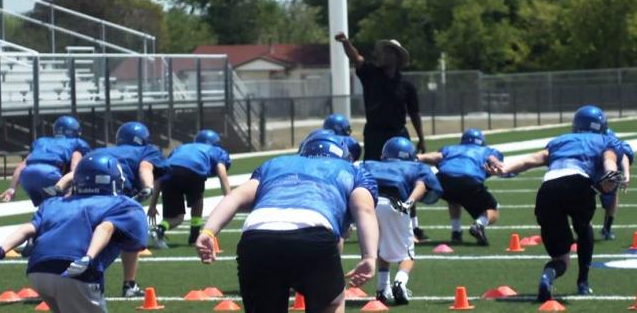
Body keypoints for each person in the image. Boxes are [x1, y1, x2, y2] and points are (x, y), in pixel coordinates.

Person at [195, 132, 379, 313]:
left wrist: (208, 232)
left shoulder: (275, 164)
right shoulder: (353, 171)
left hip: (257, 237)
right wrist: (369, 256)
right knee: (332, 303)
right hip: (313, 235)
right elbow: (364, 209)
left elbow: (235, 197)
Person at [493, 105, 623, 301]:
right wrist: (610, 174)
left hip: (548, 189)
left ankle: (547, 277)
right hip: (578, 184)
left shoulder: (561, 140)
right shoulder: (605, 140)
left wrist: (505, 168)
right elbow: (609, 160)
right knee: (584, 229)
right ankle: (583, 282)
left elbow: (532, 159)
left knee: (561, 258)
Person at [0, 152, 147, 313]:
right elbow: (106, 228)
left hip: (37, 271)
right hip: (76, 270)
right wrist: (88, 258)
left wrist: (2, 248)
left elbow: (29, 228)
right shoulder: (122, 204)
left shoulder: (54, 203)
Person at [54, 121, 169, 298]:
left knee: (83, 233)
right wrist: (148, 187)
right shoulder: (146, 151)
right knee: (128, 235)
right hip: (116, 194)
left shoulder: (103, 150)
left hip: (86, 195)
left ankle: (70, 273)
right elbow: (145, 167)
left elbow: (81, 169)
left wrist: (59, 185)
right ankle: (128, 284)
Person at [361, 137, 442, 305]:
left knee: (381, 246)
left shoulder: (370, 164)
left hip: (369, 205)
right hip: (395, 204)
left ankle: (382, 288)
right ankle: (400, 281)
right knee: (407, 253)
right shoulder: (415, 166)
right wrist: (409, 203)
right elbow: (423, 185)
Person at [334, 32, 426, 160]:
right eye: (383, 52)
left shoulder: (407, 86)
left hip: (398, 134)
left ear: (397, 58)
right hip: (375, 134)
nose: (384, 55)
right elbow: (356, 57)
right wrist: (346, 42)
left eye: (388, 52)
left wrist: (421, 138)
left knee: (404, 168)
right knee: (373, 169)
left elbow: (414, 113)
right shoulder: (370, 74)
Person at [418, 128, 504, 245]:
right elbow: (492, 159)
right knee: (493, 209)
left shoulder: (451, 148)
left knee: (453, 198)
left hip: (442, 179)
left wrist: (418, 157)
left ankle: (456, 232)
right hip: (469, 181)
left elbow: (436, 156)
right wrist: (499, 165)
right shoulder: (487, 151)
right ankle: (478, 225)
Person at [148, 129, 232, 249]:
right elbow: (222, 173)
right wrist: (230, 197)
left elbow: (160, 177)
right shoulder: (215, 150)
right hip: (193, 173)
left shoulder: (181, 148)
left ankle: (159, 229)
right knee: (197, 202)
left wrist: (153, 204)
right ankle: (194, 237)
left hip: (169, 175)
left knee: (177, 218)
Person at [0, 115, 90, 206]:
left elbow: (21, 166)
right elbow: (75, 168)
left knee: (44, 207)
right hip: (49, 174)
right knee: (64, 203)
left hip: (26, 176)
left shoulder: (42, 142)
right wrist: (73, 186)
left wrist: (12, 189)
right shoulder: (75, 144)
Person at [599, 128, 633, 240]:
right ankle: (582, 229)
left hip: (607, 168)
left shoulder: (610, 139)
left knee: (611, 197)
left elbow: (622, 154)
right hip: (589, 169)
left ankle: (607, 228)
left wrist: (627, 173)